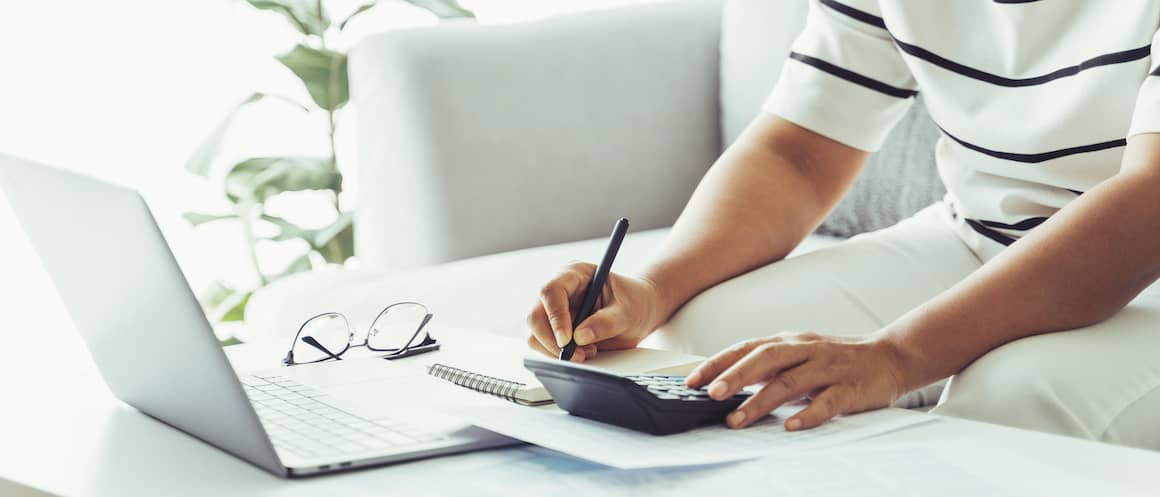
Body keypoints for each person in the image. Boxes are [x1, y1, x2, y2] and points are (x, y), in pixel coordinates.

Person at [525, 0, 1160, 449]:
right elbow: (798, 153)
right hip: (980, 235)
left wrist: (897, 356)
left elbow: (1146, 207)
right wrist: (655, 290)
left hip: (1147, 275)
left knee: (1012, 403)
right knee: (706, 352)